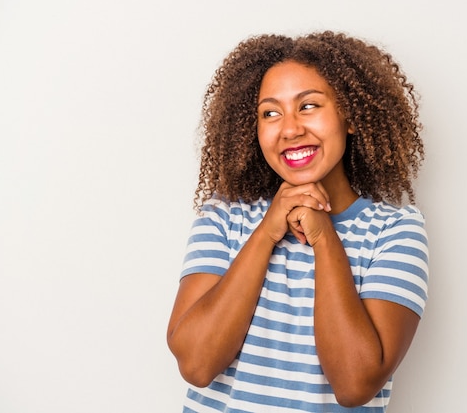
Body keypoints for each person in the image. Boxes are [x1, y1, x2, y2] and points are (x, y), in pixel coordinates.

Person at [167, 30, 429, 413]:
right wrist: (267, 231)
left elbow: (355, 384)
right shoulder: (224, 217)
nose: (289, 129)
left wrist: (324, 236)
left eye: (308, 106)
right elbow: (196, 364)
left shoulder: (396, 231)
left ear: (350, 117)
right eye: (270, 113)